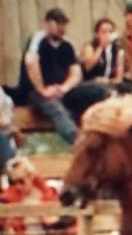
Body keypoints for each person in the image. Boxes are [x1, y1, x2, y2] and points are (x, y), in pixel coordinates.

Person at [8, 8, 80, 144]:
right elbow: (31, 63)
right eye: (57, 23)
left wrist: (63, 88)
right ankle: (77, 140)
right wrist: (42, 90)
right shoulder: (37, 40)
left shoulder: (67, 45)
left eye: (63, 24)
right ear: (47, 24)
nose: (61, 28)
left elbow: (76, 72)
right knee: (55, 108)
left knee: (94, 92)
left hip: (61, 90)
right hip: (35, 93)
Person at [80, 17, 123, 82]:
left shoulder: (115, 48)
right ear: (97, 34)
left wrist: (111, 81)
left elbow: (119, 75)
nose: (107, 35)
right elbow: (88, 66)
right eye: (104, 32)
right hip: (92, 82)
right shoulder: (90, 46)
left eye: (110, 32)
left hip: (109, 82)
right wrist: (101, 47)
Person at [0, 86, 17, 181]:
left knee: (1, 136)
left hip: (3, 142)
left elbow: (5, 122)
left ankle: (5, 175)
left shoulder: (2, 96)